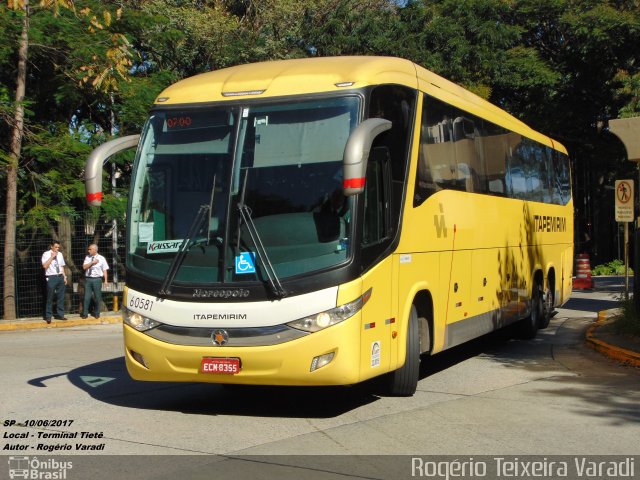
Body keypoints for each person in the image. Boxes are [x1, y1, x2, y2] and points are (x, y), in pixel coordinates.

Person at [41, 240, 68, 323]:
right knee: (50, 297)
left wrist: (64, 277)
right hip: (51, 277)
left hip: (59, 276)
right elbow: (45, 266)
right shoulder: (46, 254)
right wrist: (52, 257)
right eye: (56, 247)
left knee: (61, 297)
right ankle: (48, 316)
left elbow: (61, 266)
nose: (57, 249)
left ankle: (60, 314)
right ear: (51, 246)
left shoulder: (60, 254)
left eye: (58, 247)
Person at [81, 244, 109, 319]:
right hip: (88, 279)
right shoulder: (87, 257)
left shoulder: (101, 258)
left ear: (95, 250)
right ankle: (85, 313)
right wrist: (92, 262)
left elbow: (104, 270)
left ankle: (97, 312)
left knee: (97, 297)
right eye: (88, 249)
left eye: (90, 249)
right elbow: (84, 267)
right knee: (87, 297)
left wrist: (106, 280)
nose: (88, 251)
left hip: (97, 279)